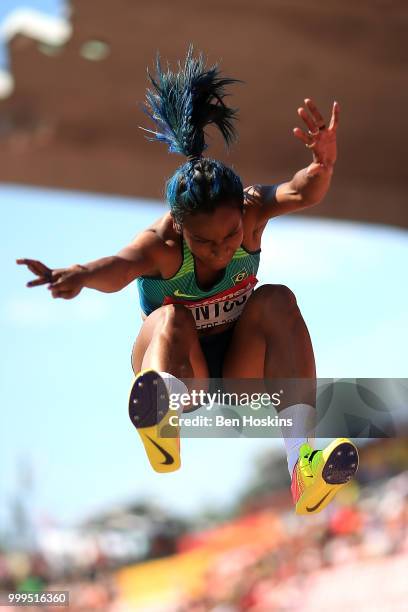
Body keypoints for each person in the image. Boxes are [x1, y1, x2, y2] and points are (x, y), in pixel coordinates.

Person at [17, 48, 358, 515]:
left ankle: (303, 463)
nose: (220, 249)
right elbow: (118, 266)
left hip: (242, 373)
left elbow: (302, 190)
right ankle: (162, 417)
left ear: (243, 213)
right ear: (179, 229)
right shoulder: (160, 244)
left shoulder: (253, 206)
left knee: (277, 298)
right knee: (172, 314)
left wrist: (323, 166)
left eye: (230, 235)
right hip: (184, 370)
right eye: (204, 241)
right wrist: (80, 275)